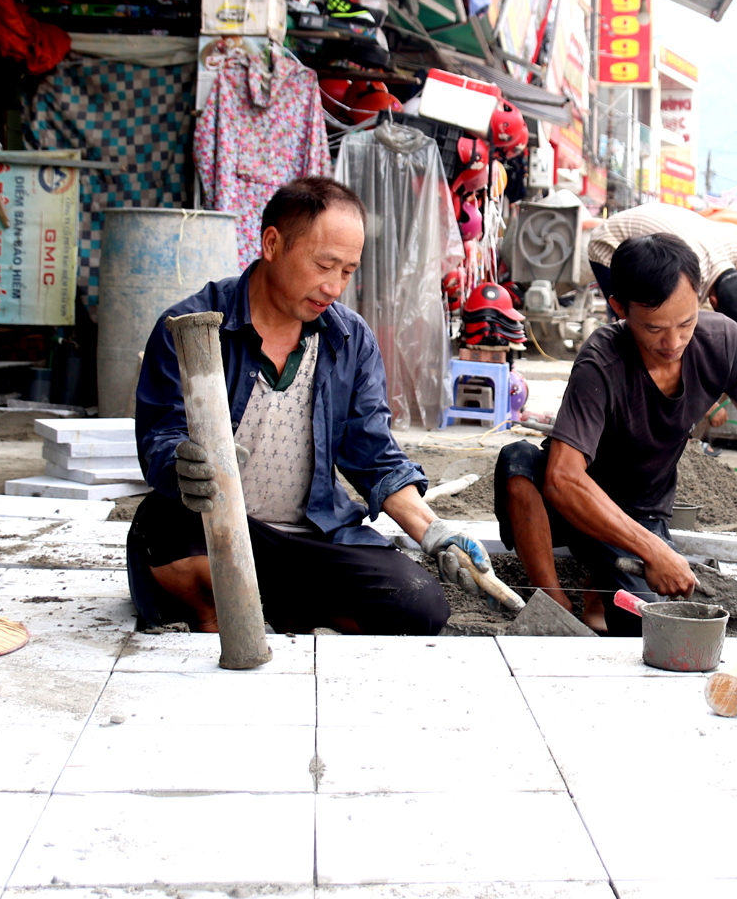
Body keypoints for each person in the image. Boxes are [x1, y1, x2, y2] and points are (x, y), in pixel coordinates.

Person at [129, 177, 487, 636]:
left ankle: (271, 607)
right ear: (272, 243)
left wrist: (434, 532)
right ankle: (219, 615)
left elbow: (373, 454)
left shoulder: (349, 339)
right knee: (161, 523)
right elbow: (160, 437)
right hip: (213, 531)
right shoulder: (192, 326)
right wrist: (184, 465)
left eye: (347, 271)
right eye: (325, 265)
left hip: (309, 540)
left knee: (420, 605)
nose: (334, 286)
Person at [495, 232, 737, 636]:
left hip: (641, 511)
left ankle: (600, 585)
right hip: (576, 507)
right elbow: (563, 480)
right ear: (619, 308)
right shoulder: (601, 360)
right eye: (653, 328)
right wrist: (653, 550)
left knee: (646, 628)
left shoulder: (724, 343)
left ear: (701, 298)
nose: (673, 342)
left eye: (686, 322)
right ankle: (555, 603)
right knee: (519, 461)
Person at [582, 202, 737, 382]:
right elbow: (685, 339)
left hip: (661, 230)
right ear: (714, 301)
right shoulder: (687, 277)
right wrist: (703, 399)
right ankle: (630, 381)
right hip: (609, 241)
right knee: (638, 327)